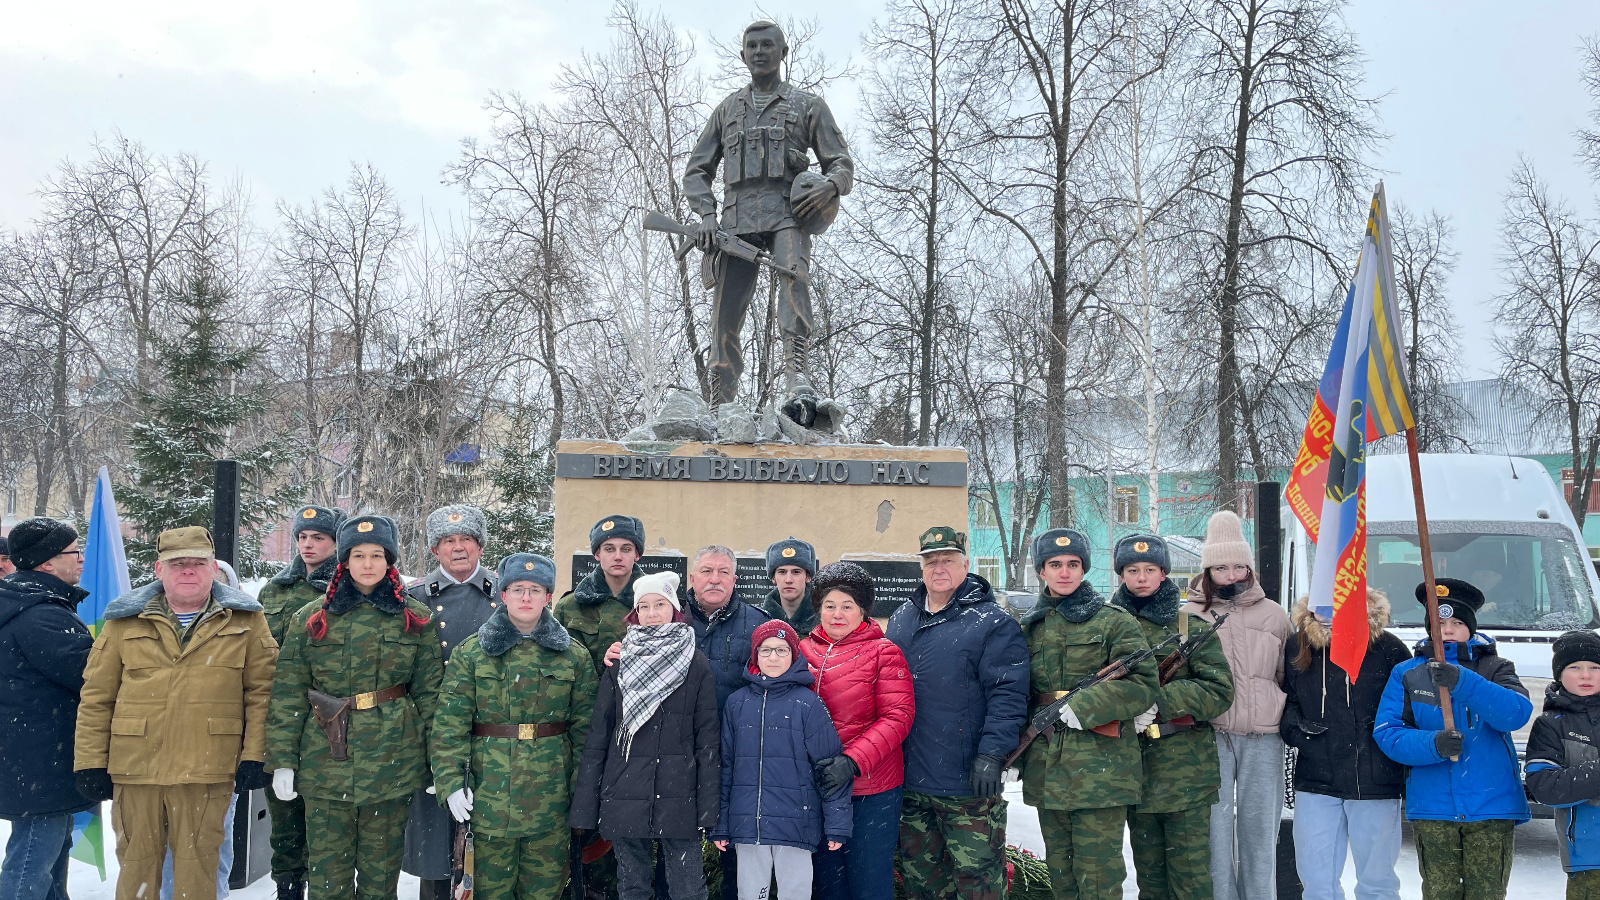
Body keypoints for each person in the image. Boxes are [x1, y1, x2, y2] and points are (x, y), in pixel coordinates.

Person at [75, 526, 277, 900]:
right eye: (177, 563)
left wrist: (255, 755)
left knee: (199, 873)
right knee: (136, 872)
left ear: (213, 569)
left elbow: (262, 694)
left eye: (198, 563)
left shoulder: (246, 621)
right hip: (136, 768)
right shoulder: (123, 622)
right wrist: (89, 761)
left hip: (208, 769)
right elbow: (96, 698)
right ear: (158, 570)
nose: (188, 571)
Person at [265, 515, 442, 900]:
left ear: (389, 560)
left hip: (391, 759)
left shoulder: (415, 619)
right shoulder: (312, 617)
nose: (367, 564)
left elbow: (430, 695)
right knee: (329, 880)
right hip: (325, 761)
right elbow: (289, 693)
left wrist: (437, 762)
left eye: (376, 555)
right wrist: (282, 760)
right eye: (358, 555)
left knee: (380, 881)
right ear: (344, 560)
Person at [683, 19, 854, 408]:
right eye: (752, 46)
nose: (759, 52)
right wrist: (706, 215)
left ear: (783, 53)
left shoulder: (807, 105)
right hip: (736, 220)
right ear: (743, 54)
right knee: (725, 311)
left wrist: (830, 186)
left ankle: (797, 377)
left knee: (795, 282)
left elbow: (841, 162)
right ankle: (719, 394)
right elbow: (696, 172)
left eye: (767, 45)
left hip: (787, 214)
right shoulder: (726, 111)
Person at [431, 553, 596, 900]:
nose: (525, 598)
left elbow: (586, 733)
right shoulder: (472, 654)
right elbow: (449, 724)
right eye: (517, 589)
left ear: (548, 597)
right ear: (502, 595)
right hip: (489, 799)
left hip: (551, 801)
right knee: (490, 892)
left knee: (544, 892)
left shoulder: (574, 657)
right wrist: (450, 781)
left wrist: (583, 792)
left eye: (535, 590)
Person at [886, 526, 1028, 900]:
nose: (939, 568)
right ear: (921, 567)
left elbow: (1008, 695)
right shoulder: (902, 618)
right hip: (913, 780)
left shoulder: (992, 622)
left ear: (966, 564)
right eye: (931, 561)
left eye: (948, 560)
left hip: (968, 786)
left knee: (977, 884)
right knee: (923, 884)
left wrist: (991, 754)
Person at [1018, 530, 1157, 900]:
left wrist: (1086, 707)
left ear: (1083, 569)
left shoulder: (1114, 621)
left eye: (1073, 565)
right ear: (1041, 571)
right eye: (1055, 565)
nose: (1065, 572)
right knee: (1061, 876)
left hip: (1102, 770)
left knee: (1098, 878)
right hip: (1047, 767)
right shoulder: (1028, 627)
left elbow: (1144, 684)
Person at [1373, 578, 1532, 900]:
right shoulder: (1407, 672)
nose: (1448, 629)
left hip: (1492, 807)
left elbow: (1515, 714)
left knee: (1486, 894)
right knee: (1439, 893)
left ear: (1470, 628)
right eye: (1440, 622)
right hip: (1434, 809)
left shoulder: (1496, 668)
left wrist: (1464, 682)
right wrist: (1433, 745)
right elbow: (1388, 733)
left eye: (1457, 622)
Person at [571, 572, 720, 900]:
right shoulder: (619, 662)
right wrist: (584, 808)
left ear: (674, 609)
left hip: (680, 794)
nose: (652, 613)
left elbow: (707, 739)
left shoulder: (696, 663)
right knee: (633, 889)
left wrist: (709, 808)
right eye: (644, 606)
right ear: (636, 613)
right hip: (624, 792)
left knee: (688, 890)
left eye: (660, 604)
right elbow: (599, 737)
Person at [1108, 534, 1233, 900]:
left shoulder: (1188, 627)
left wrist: (1159, 699)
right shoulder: (1107, 626)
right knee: (1150, 878)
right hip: (1133, 772)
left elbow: (1220, 692)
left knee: (1191, 878)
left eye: (1150, 569)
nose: (1142, 577)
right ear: (1121, 575)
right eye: (1133, 570)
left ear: (1164, 574)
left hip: (1186, 773)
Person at [1185, 510, 1290, 900]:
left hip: (1264, 738)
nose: (1232, 575)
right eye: (1221, 567)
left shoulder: (1274, 614)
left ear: (1249, 568)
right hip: (1210, 737)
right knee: (1213, 830)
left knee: (1261, 830)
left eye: (1239, 566)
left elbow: (1285, 674)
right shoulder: (1189, 616)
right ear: (1208, 571)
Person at [1280, 587, 1410, 900]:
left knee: (1377, 881)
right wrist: (1300, 733)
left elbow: (1408, 708)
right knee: (1316, 878)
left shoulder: (1389, 647)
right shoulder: (1299, 645)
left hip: (1376, 777)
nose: (1330, 613)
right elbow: (1288, 699)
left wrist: (1381, 739)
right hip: (1317, 777)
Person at [797, 562, 914, 900]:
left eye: (847, 606)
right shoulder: (801, 651)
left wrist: (852, 761)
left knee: (868, 882)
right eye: (829, 606)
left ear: (862, 611)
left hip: (870, 790)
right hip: (817, 788)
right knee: (827, 885)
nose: (837, 614)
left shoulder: (884, 652)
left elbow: (898, 715)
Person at [712, 620, 851, 900]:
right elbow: (725, 767)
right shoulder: (737, 704)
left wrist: (836, 823)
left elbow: (830, 768)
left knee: (795, 893)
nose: (773, 657)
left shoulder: (808, 704)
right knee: (751, 893)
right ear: (755, 656)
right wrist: (720, 823)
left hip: (796, 823)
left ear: (794, 655)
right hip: (748, 823)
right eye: (765, 650)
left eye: (781, 650)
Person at [403, 505, 499, 900]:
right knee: (437, 854)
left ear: (479, 546)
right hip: (433, 736)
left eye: (466, 540)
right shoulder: (414, 598)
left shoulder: (504, 593)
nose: (458, 548)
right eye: (448, 541)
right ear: (434, 549)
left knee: (490, 853)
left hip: (492, 735)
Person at [0, 518, 93, 900]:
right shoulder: (42, 615)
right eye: (74, 551)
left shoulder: (25, 602)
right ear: (47, 563)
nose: (82, 559)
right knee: (31, 862)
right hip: (42, 762)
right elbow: (91, 674)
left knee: (49, 858)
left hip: (31, 759)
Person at [257, 505, 345, 900]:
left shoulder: (344, 589)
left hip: (330, 715)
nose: (308, 545)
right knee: (284, 813)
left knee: (324, 821)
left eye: (319, 538)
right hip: (282, 712)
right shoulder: (274, 589)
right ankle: (287, 887)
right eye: (302, 537)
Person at [157, 561, 251, 900]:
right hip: (162, 758)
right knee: (165, 847)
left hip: (219, 758)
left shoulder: (245, 627)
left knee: (212, 845)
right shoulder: (158, 625)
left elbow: (259, 692)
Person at [686, 546, 769, 897]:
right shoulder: (671, 619)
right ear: (692, 578)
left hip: (737, 754)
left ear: (735, 579)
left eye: (723, 572)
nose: (715, 579)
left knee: (736, 844)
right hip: (681, 752)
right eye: (707, 571)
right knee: (678, 845)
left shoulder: (758, 623)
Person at [1526, 630, 1600, 899]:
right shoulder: (1550, 725)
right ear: (1559, 674)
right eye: (1575, 667)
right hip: (1588, 856)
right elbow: (1545, 787)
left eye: (1595, 667)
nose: (1586, 675)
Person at [556, 515, 647, 678]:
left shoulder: (656, 604)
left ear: (637, 554)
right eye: (609, 549)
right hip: (583, 701)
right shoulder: (569, 606)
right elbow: (557, 664)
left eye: (626, 549)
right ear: (597, 554)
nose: (618, 556)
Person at [761, 538, 818, 636]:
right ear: (773, 578)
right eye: (782, 572)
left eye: (796, 572)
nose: (788, 580)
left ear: (808, 577)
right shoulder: (760, 620)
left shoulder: (824, 622)